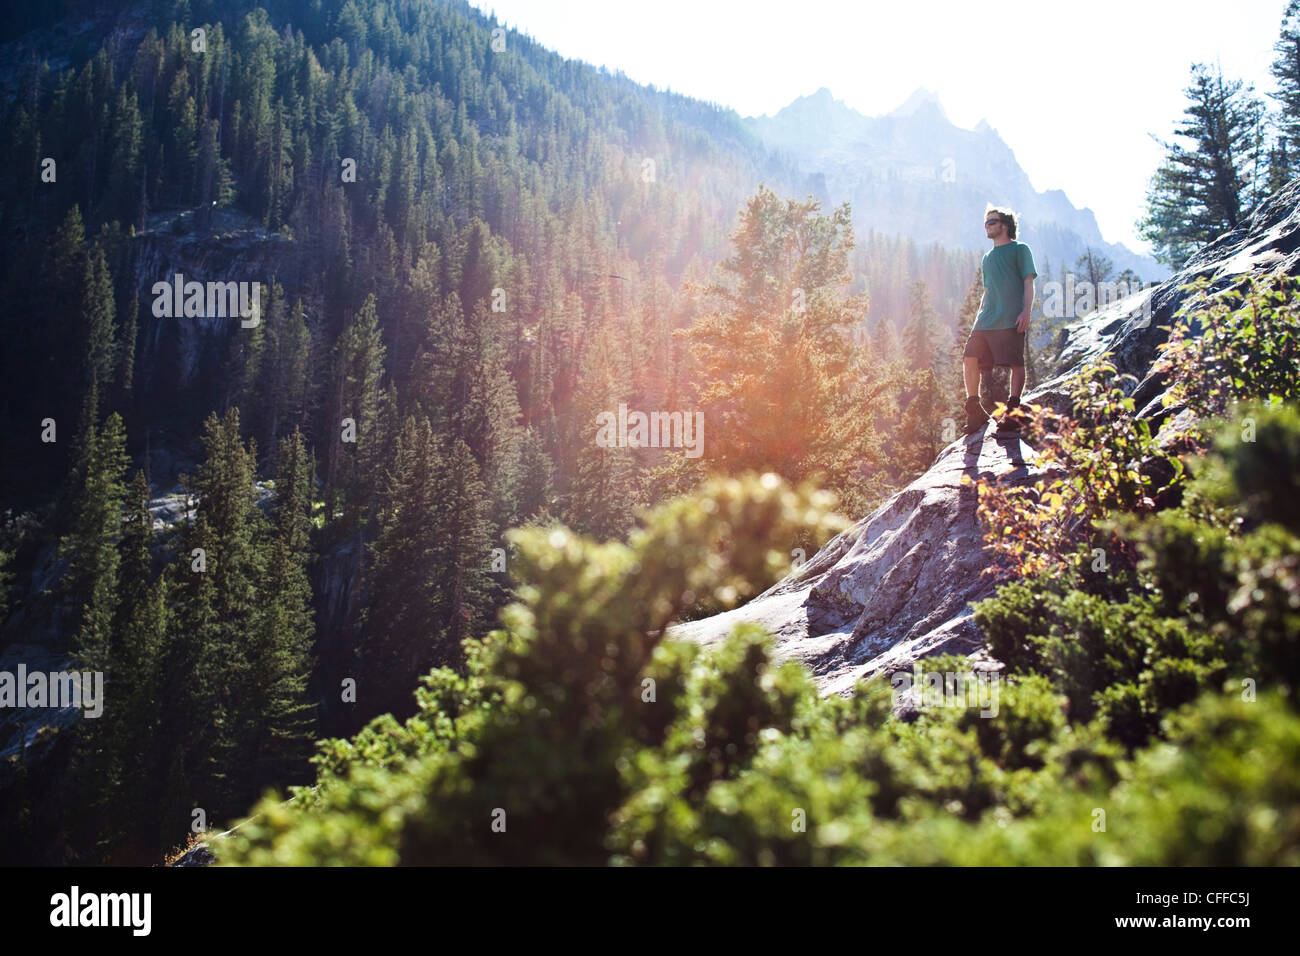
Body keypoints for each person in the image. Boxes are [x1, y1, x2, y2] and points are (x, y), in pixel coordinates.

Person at [962, 204, 1036, 436]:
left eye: (992, 222)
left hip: (1010, 317)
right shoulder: (987, 257)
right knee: (969, 357)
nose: (987, 226)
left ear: (1005, 225)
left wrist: (1026, 311)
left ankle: (1013, 411)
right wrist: (979, 314)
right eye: (986, 222)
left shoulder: (1020, 249)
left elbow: (1028, 282)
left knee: (1015, 363)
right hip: (985, 320)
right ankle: (974, 409)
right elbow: (988, 289)